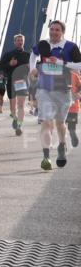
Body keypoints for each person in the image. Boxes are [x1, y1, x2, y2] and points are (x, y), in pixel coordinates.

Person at [30, 20, 81, 170]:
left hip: (63, 91)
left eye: (57, 30)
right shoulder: (43, 44)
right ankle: (46, 157)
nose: (53, 32)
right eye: (51, 29)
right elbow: (33, 55)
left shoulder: (70, 47)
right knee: (46, 122)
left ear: (62, 32)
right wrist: (32, 68)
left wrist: (62, 63)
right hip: (44, 89)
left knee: (60, 124)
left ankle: (62, 145)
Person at [0, 34, 31, 136]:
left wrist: (30, 68)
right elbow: (0, 67)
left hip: (22, 81)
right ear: (14, 42)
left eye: (21, 40)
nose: (20, 42)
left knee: (21, 105)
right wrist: (9, 64)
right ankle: (15, 118)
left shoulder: (27, 55)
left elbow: (33, 68)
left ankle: (19, 125)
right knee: (13, 108)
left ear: (23, 42)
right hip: (11, 81)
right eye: (18, 40)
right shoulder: (8, 54)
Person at [68, 69, 80, 148]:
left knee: (61, 125)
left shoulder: (55, 75)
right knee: (71, 125)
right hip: (73, 106)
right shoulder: (74, 75)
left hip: (62, 105)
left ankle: (62, 143)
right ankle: (72, 132)